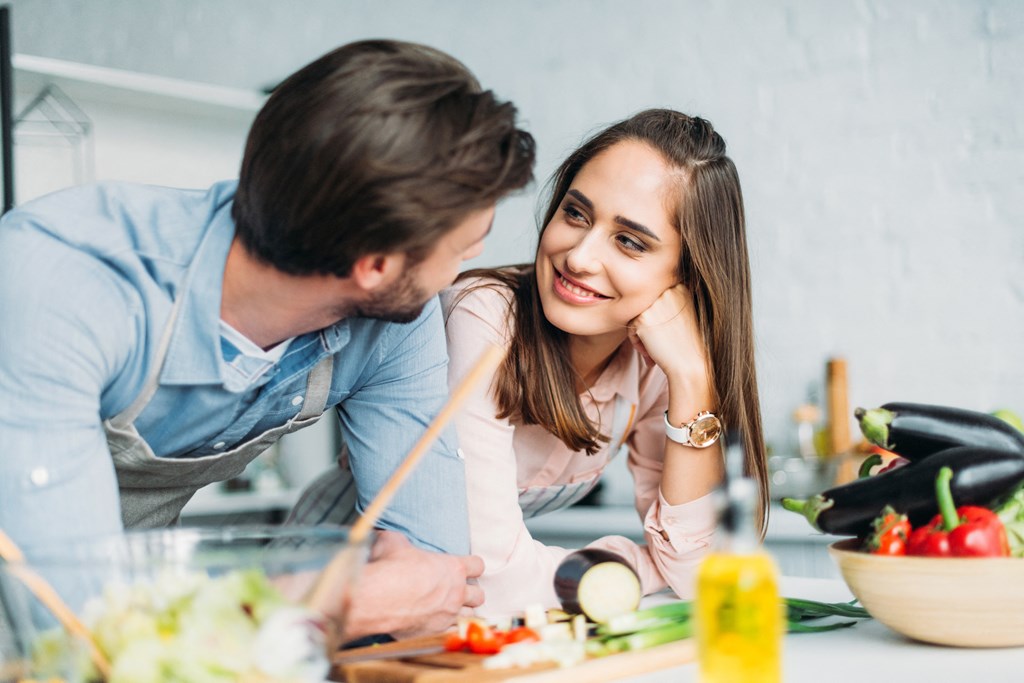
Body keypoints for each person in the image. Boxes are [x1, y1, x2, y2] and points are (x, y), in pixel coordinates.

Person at [0, 39, 535, 639]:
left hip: (154, 645)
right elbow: (64, 612)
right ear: (376, 264)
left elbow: (432, 574)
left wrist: (331, 607)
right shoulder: (60, 281)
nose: (475, 259)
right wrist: (320, 602)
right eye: (465, 247)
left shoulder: (393, 322)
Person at [441, 109, 767, 616]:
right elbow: (491, 580)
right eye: (576, 214)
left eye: (630, 241)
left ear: (687, 274)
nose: (579, 257)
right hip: (342, 605)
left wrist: (691, 379)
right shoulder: (482, 315)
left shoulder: (657, 365)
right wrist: (624, 564)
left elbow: (704, 573)